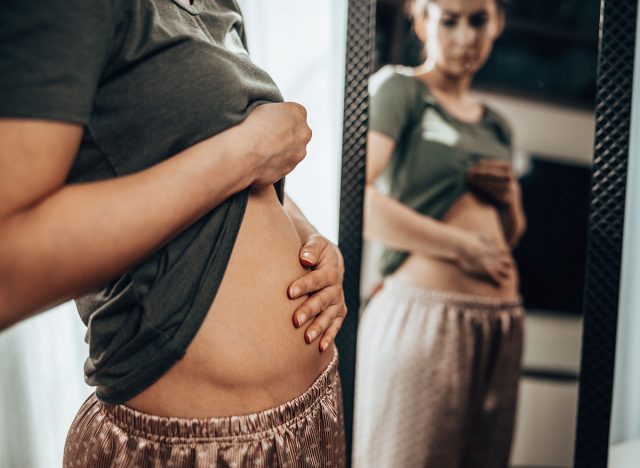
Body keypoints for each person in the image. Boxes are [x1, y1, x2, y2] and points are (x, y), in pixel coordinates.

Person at [0, 0, 347, 466]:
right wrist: (243, 153)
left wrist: (309, 239)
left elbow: (237, 181)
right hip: (186, 445)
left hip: (314, 414)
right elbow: (10, 263)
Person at [353, 0, 526, 466]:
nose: (465, 36)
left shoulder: (496, 125)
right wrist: (461, 248)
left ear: (498, 24)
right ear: (421, 21)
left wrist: (509, 198)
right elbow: (357, 203)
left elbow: (509, 238)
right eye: (449, 20)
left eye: (478, 21)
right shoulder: (400, 90)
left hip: (502, 326)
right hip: (426, 320)